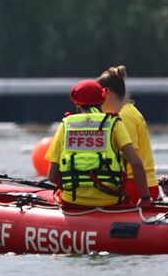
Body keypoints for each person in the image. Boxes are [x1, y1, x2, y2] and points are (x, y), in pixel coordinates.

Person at [46, 79, 151, 209]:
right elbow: (136, 163)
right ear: (102, 99)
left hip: (72, 202)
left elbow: (52, 176)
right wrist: (145, 198)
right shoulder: (113, 122)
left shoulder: (66, 124)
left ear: (76, 102)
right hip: (109, 201)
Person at [98, 64, 160, 202]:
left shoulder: (124, 117)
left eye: (98, 96)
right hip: (141, 184)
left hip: (137, 186)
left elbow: (132, 161)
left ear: (107, 93)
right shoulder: (128, 110)